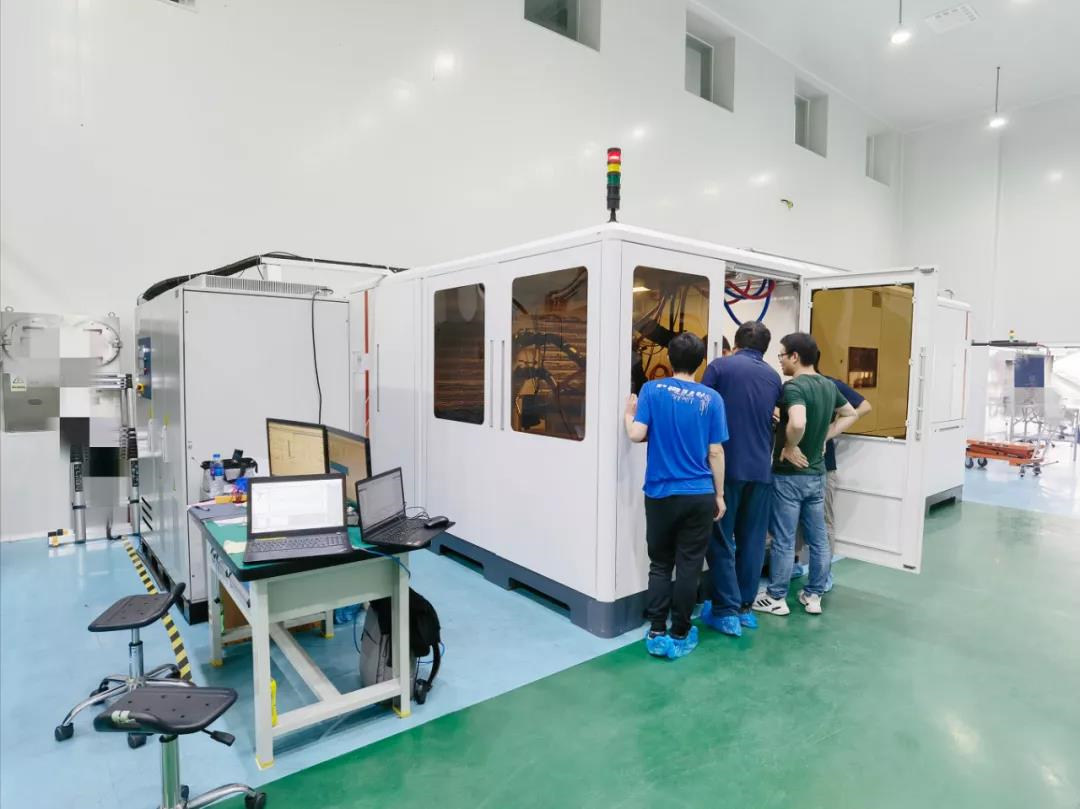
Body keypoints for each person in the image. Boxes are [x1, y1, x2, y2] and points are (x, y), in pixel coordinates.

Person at [624, 331, 728, 659]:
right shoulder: (712, 399)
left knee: (660, 564)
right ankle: (681, 632)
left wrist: (628, 414)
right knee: (689, 565)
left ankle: (656, 630)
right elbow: (715, 452)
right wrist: (719, 495)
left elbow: (636, 434)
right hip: (698, 494)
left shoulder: (651, 390)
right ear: (701, 362)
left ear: (669, 359)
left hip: (660, 493)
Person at [753, 333, 857, 616]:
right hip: (817, 474)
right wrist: (825, 435)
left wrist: (790, 445)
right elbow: (850, 413)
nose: (781, 361)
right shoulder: (828, 385)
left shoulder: (794, 387)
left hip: (789, 476)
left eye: (782, 355)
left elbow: (798, 421)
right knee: (818, 538)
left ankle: (776, 597)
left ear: (795, 356)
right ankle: (814, 595)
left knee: (784, 539)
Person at [699, 321, 782, 637]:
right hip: (761, 470)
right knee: (752, 540)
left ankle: (726, 610)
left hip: (727, 468)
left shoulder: (719, 367)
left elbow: (701, 410)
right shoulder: (773, 377)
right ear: (765, 348)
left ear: (734, 344)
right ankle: (746, 607)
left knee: (721, 538)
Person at [791, 365, 872, 589]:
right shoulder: (792, 386)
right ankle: (793, 564)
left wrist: (831, 431)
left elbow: (864, 406)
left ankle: (823, 575)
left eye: (784, 355)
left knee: (822, 521)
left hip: (823, 465)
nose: (782, 360)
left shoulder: (830, 385)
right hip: (795, 465)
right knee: (792, 520)